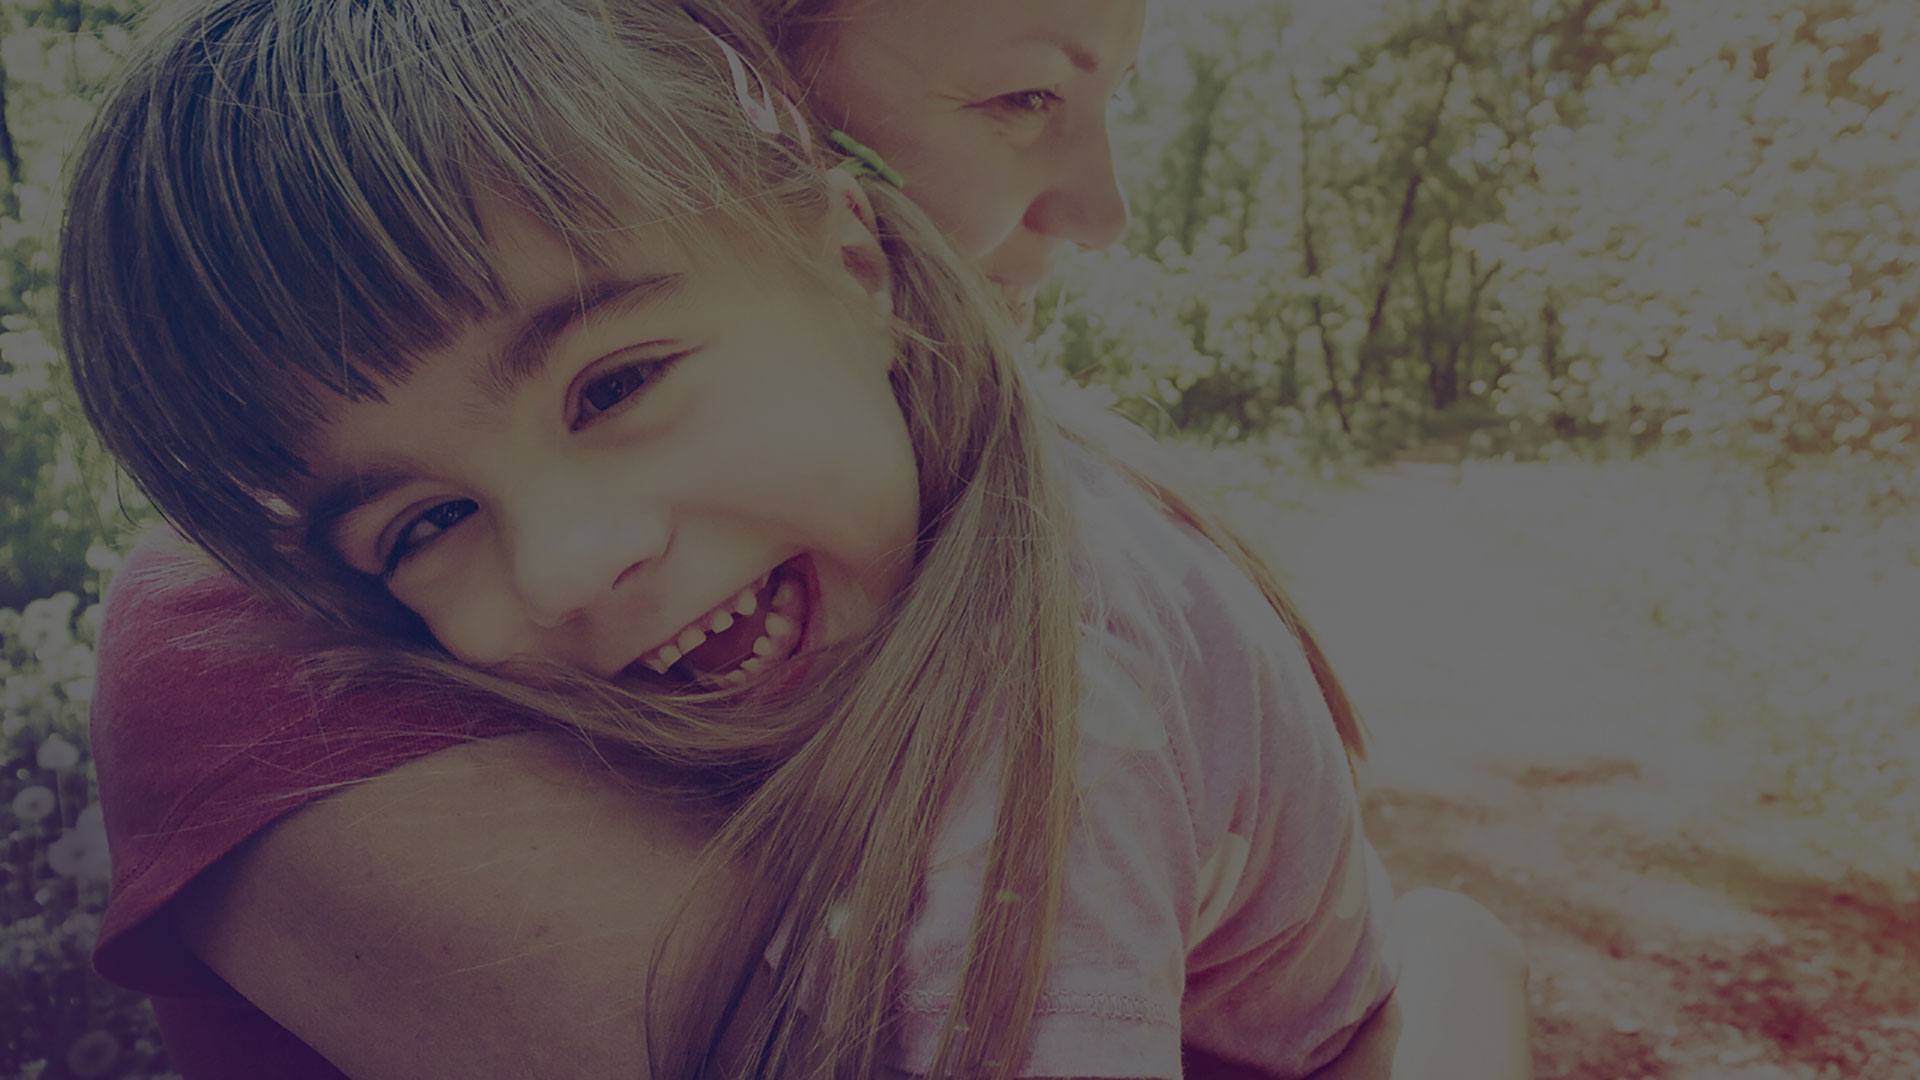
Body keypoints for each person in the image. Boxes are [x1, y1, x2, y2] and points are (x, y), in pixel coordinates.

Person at [61, 0, 1530, 1076]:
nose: (569, 564)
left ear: (849, 257)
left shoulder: (1046, 728)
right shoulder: (936, 513)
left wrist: (1457, 993)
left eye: (615, 385)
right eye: (427, 523)